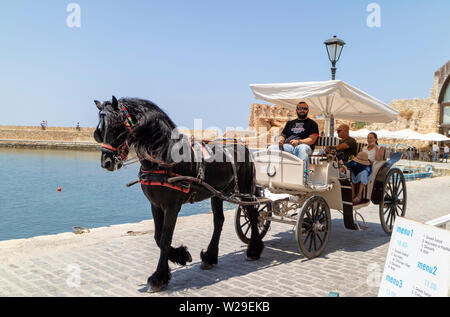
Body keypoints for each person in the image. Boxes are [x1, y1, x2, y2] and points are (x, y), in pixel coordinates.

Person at [268, 101, 319, 180]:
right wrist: (281, 140)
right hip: (288, 146)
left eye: (304, 109)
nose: (302, 110)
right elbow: (283, 135)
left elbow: (312, 139)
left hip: (304, 146)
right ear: (296, 110)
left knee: (301, 148)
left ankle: (303, 178)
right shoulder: (290, 123)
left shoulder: (312, 124)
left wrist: (299, 142)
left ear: (308, 110)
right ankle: (273, 174)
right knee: (272, 148)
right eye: (300, 108)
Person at [349, 132, 385, 203]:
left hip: (370, 164)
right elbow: (359, 156)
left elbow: (378, 159)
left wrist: (375, 147)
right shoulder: (364, 148)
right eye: (368, 138)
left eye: (371, 138)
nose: (369, 139)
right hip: (361, 163)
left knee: (363, 172)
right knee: (352, 170)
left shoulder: (379, 148)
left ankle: (359, 195)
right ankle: (352, 194)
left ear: (376, 139)